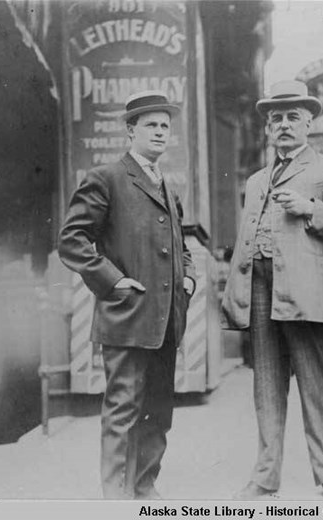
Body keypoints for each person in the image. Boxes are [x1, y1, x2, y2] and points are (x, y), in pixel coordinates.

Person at [58, 91, 196, 499]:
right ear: (131, 130)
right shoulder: (107, 177)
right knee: (122, 412)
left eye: (165, 126)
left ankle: (144, 487)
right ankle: (116, 499)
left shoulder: (167, 186)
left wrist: (187, 278)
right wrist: (114, 281)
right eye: (150, 124)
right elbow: (72, 240)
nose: (159, 132)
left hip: (166, 320)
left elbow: (181, 245)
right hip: (127, 317)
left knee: (158, 414)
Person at [221, 80, 323, 500]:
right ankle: (265, 478)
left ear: (309, 123)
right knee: (266, 389)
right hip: (260, 289)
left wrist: (311, 209)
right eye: (275, 118)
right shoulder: (257, 180)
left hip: (308, 292)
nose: (283, 125)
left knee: (317, 389)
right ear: (266, 128)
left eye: (292, 117)